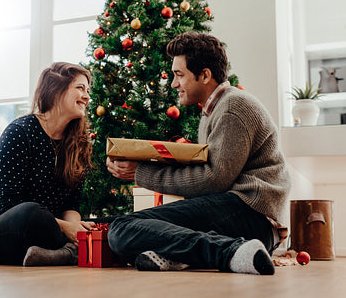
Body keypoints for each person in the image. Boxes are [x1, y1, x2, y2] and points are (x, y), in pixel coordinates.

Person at [106, 32, 291, 275]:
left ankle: (231, 252)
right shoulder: (214, 110)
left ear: (204, 75)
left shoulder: (233, 107)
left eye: (179, 75)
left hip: (250, 213)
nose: (174, 84)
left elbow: (214, 179)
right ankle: (208, 254)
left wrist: (140, 173)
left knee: (123, 227)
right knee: (125, 232)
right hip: (246, 215)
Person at [0, 62, 96, 266]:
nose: (87, 96)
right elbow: (10, 204)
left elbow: (72, 205)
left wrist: (75, 227)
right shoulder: (19, 132)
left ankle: (64, 253)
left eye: (88, 90)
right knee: (32, 212)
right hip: (5, 233)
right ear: (56, 90)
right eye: (80, 88)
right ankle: (73, 252)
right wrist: (67, 229)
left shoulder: (80, 144)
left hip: (50, 232)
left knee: (108, 224)